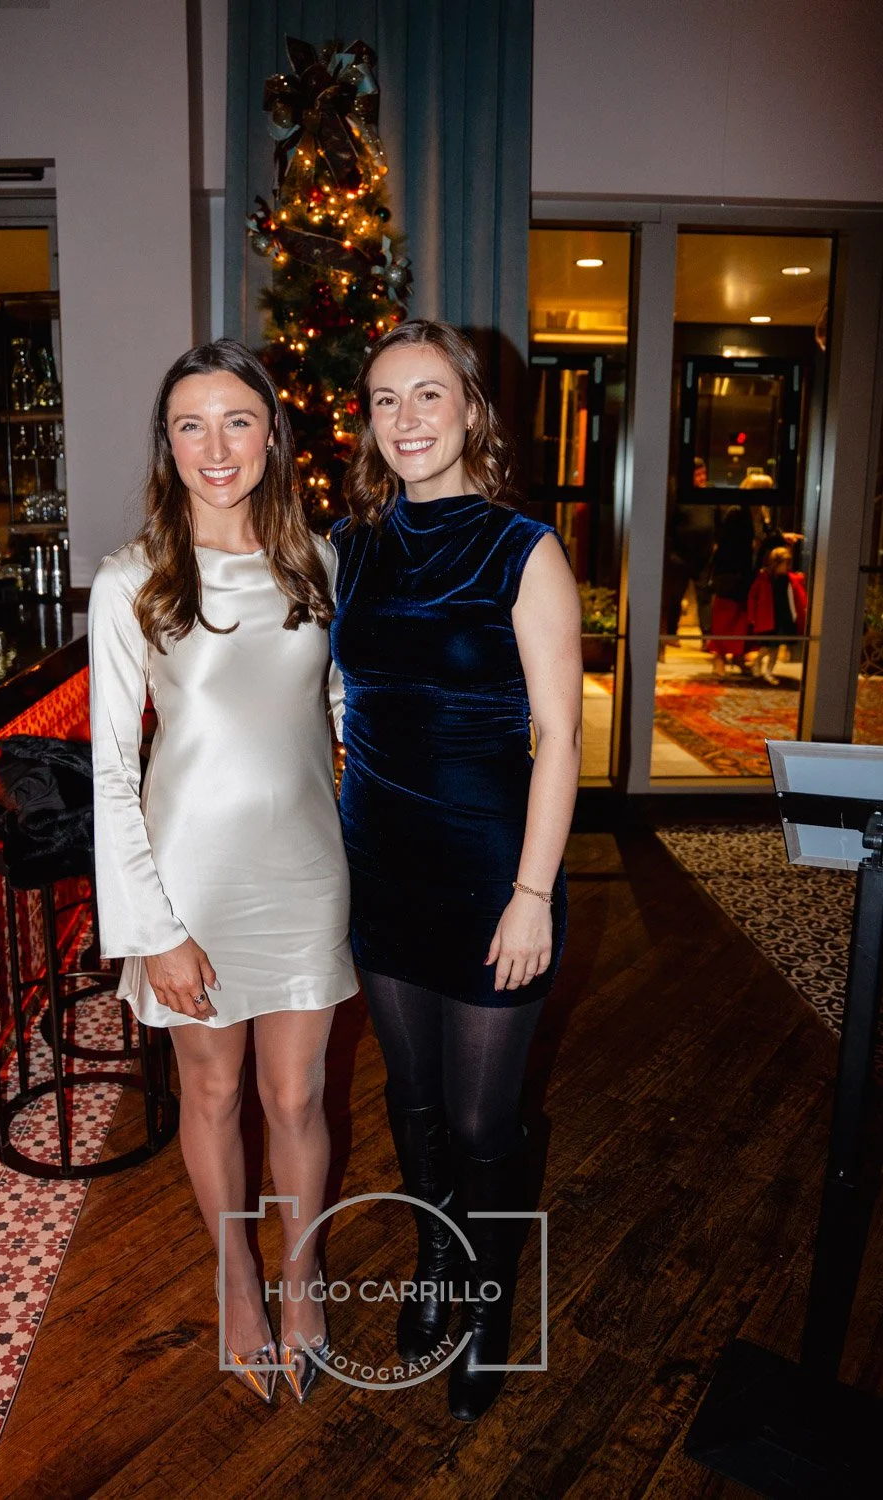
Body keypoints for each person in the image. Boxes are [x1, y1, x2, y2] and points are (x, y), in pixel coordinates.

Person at [89, 340, 358, 1407]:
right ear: (167, 442)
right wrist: (152, 928)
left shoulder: (321, 565)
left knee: (298, 1094)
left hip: (305, 870)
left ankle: (301, 1271)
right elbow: (113, 768)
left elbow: (342, 718)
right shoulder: (133, 578)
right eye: (190, 424)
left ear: (270, 437)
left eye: (236, 420)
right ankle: (234, 1269)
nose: (215, 446)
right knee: (213, 1087)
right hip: (186, 881)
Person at [330, 320, 583, 1422]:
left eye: (427, 396)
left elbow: (561, 739)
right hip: (378, 861)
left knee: (485, 1123)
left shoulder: (524, 547)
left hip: (490, 870)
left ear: (471, 410)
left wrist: (531, 894)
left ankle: (486, 1297)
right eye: (385, 400)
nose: (406, 420)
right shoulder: (350, 545)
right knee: (415, 1099)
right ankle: (438, 1261)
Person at [704, 505, 755, 675]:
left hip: (735, 574)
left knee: (737, 617)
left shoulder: (741, 515)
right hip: (732, 574)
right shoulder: (740, 514)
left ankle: (731, 656)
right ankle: (721, 656)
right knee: (728, 616)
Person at [747, 545, 808, 684]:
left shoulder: (789, 579)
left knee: (774, 648)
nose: (786, 567)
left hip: (782, 618)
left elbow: (798, 595)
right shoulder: (764, 579)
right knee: (765, 648)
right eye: (784, 563)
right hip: (767, 619)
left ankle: (768, 672)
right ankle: (757, 664)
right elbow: (752, 597)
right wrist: (752, 616)